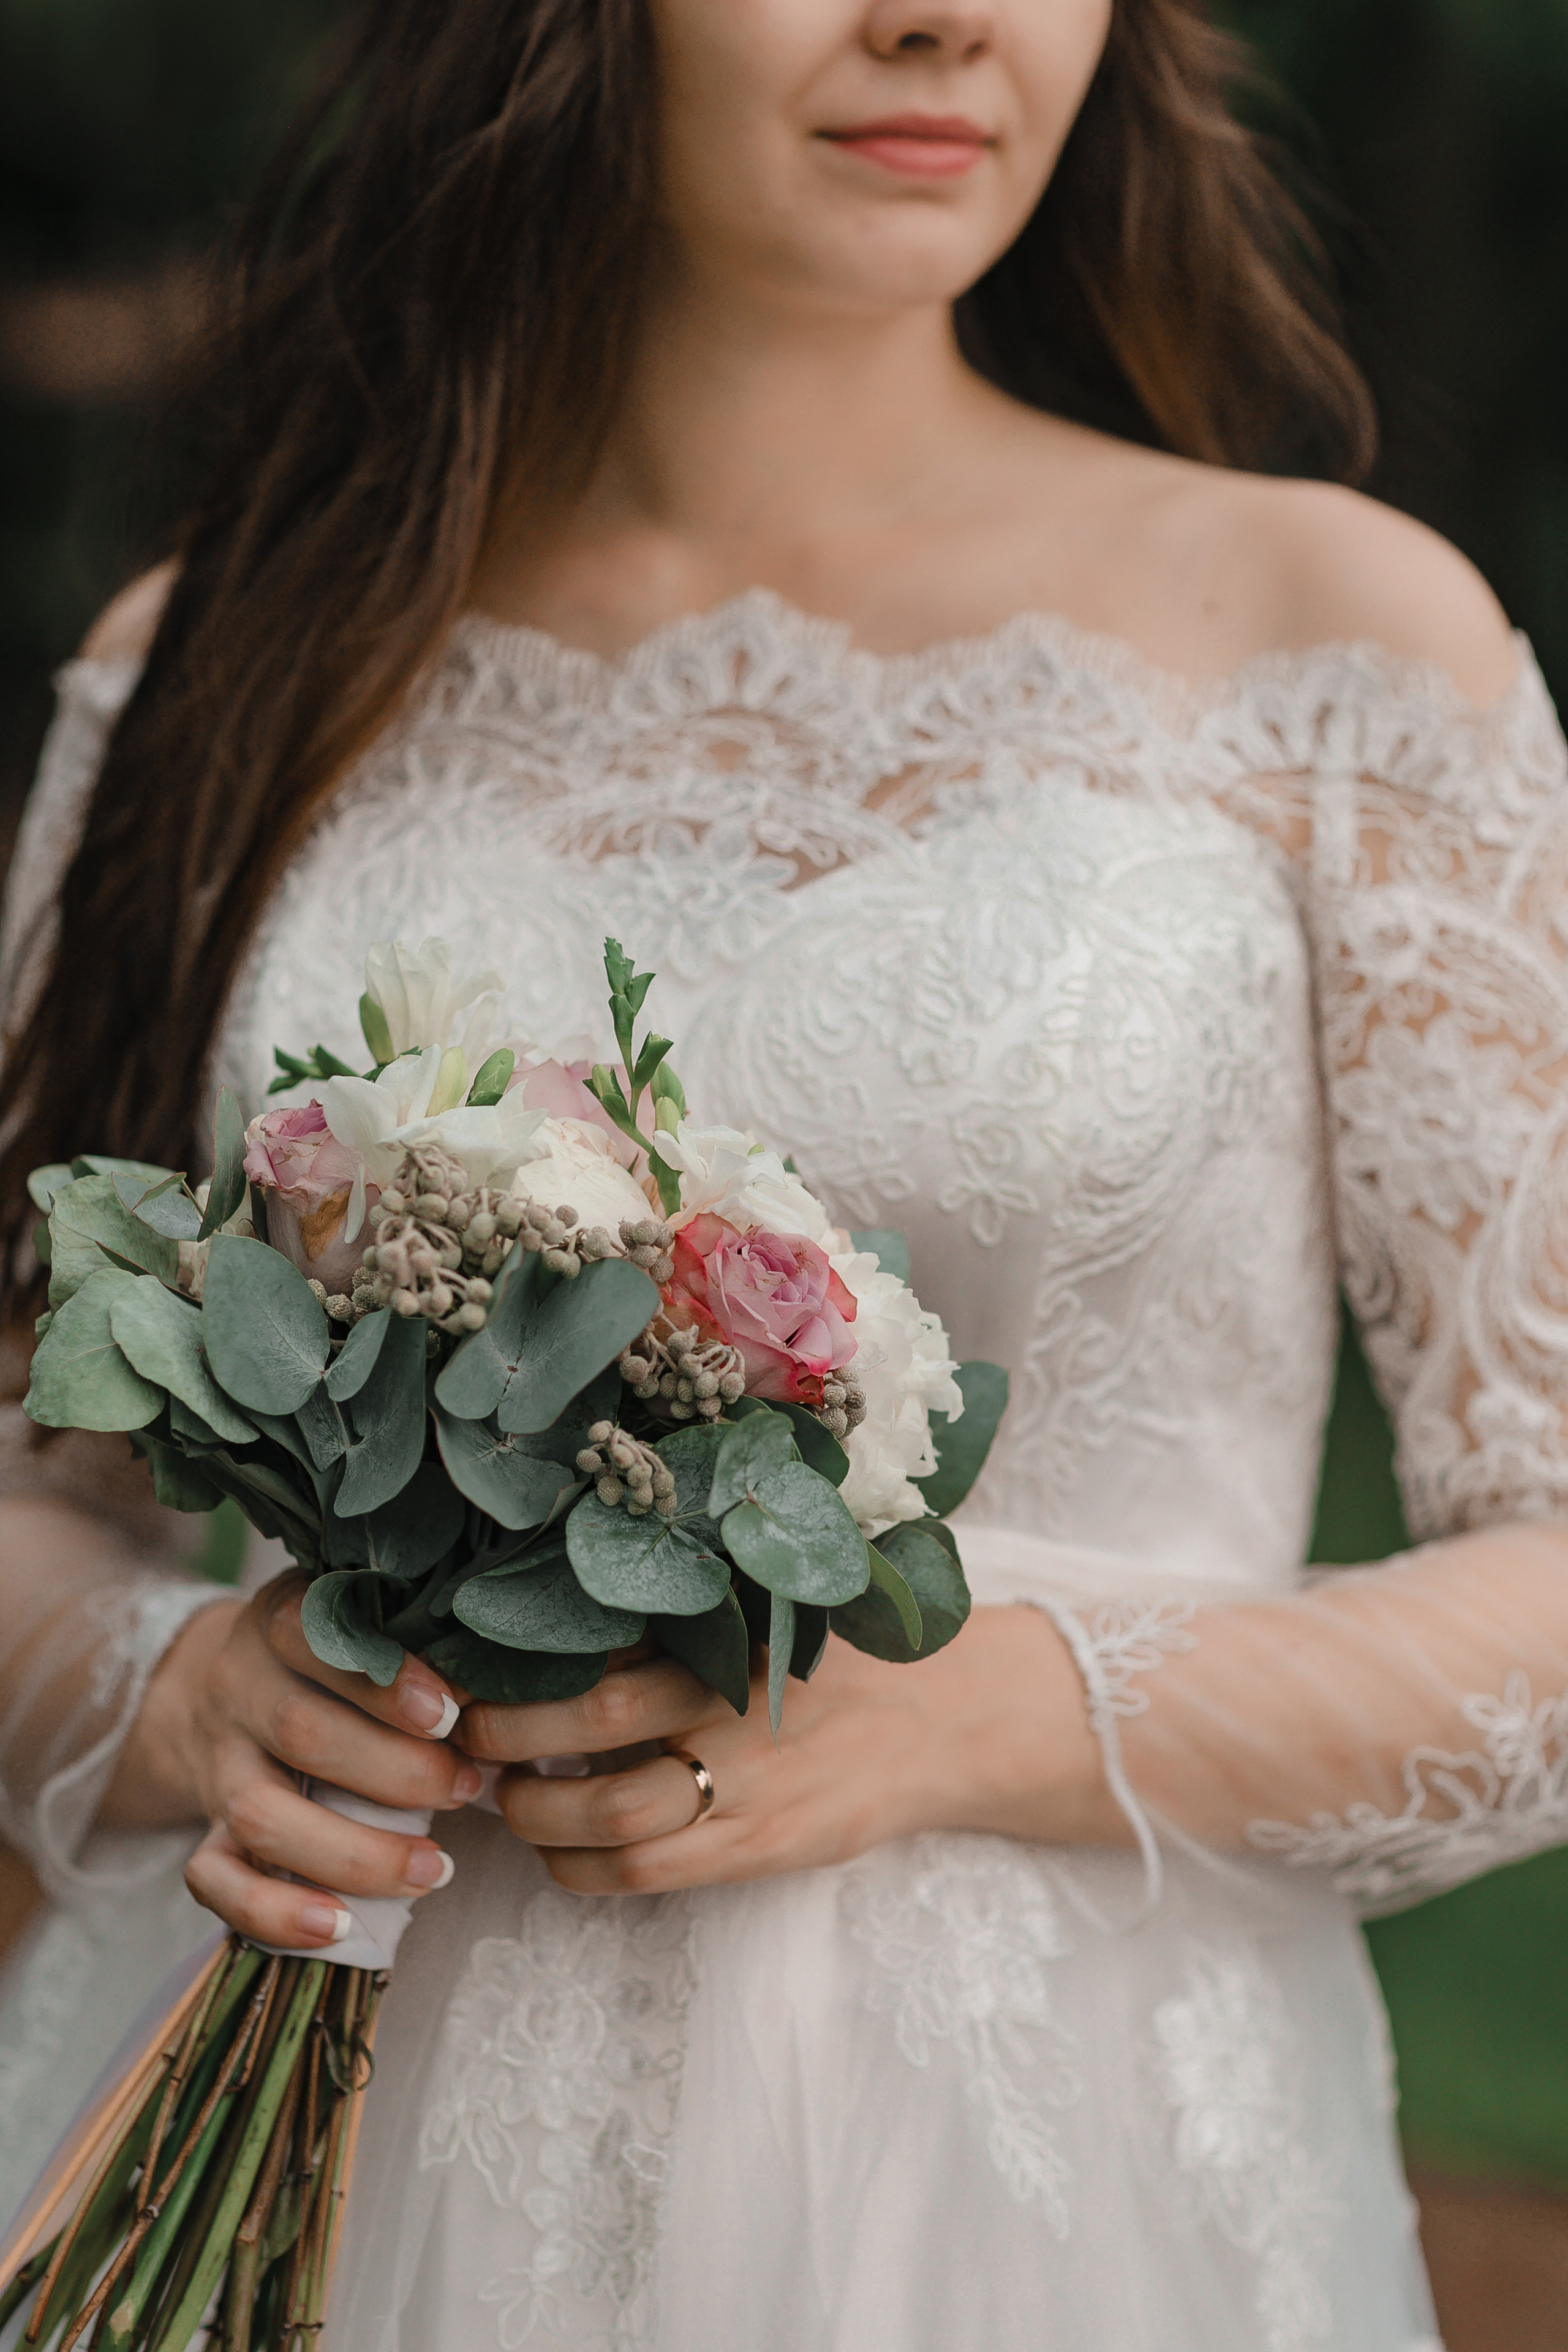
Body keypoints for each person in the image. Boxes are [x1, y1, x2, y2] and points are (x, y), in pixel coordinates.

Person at [1, 1, 1566, 2343]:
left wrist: (969, 1707)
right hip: (314, 2149)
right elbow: (27, 1476)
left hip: (1029, 2197)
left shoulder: (1336, 641)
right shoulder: (232, 653)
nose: (939, 17)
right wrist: (177, 1695)